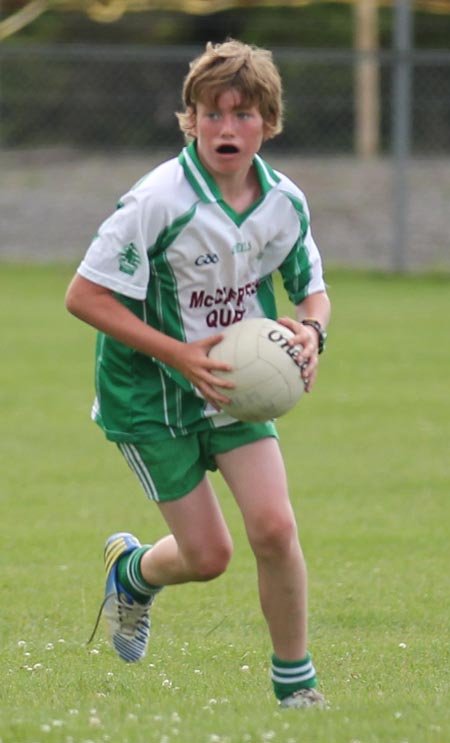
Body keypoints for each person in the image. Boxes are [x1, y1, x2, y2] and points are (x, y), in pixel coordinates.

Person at [65, 38, 331, 709]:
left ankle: (296, 686)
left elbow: (312, 292)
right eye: (212, 114)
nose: (226, 128)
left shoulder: (283, 204)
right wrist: (179, 353)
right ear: (190, 120)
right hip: (148, 394)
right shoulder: (156, 200)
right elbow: (85, 297)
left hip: (236, 386)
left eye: (243, 116)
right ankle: (132, 572)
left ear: (267, 124)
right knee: (209, 556)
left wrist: (312, 332)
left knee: (274, 527)